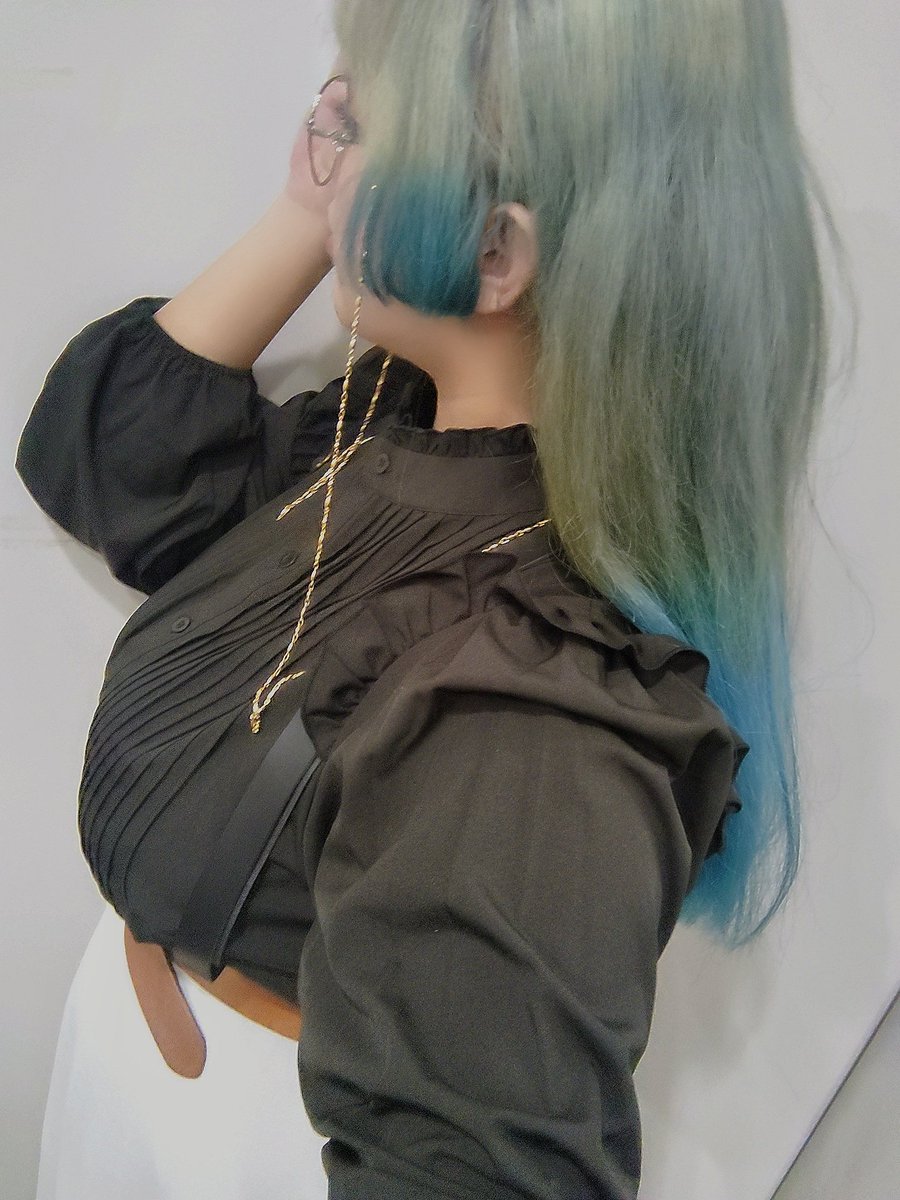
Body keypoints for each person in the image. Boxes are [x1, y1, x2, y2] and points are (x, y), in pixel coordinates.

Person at [16, 2, 853, 1197]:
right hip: (128, 1081)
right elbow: (113, 459)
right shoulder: (397, 421)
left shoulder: (530, 708)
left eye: (357, 121)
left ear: (498, 254)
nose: (323, 137)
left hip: (233, 1149)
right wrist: (323, 204)